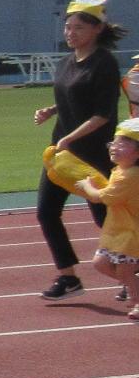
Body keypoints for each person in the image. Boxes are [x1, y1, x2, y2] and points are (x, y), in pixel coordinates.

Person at [34, 0, 127, 298]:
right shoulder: (66, 62)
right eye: (68, 28)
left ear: (97, 29)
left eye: (78, 29)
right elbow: (74, 94)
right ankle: (68, 277)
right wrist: (52, 110)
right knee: (46, 212)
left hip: (94, 155)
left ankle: (132, 274)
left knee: (104, 218)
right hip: (62, 154)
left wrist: (71, 137)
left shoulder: (105, 64)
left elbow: (103, 113)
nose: (70, 34)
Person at [73, 117, 139, 320]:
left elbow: (102, 197)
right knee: (100, 264)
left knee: (126, 271)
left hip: (131, 232)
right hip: (116, 230)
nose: (115, 147)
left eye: (123, 144)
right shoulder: (120, 171)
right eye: (114, 142)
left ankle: (137, 301)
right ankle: (134, 287)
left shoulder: (131, 176)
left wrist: (86, 187)